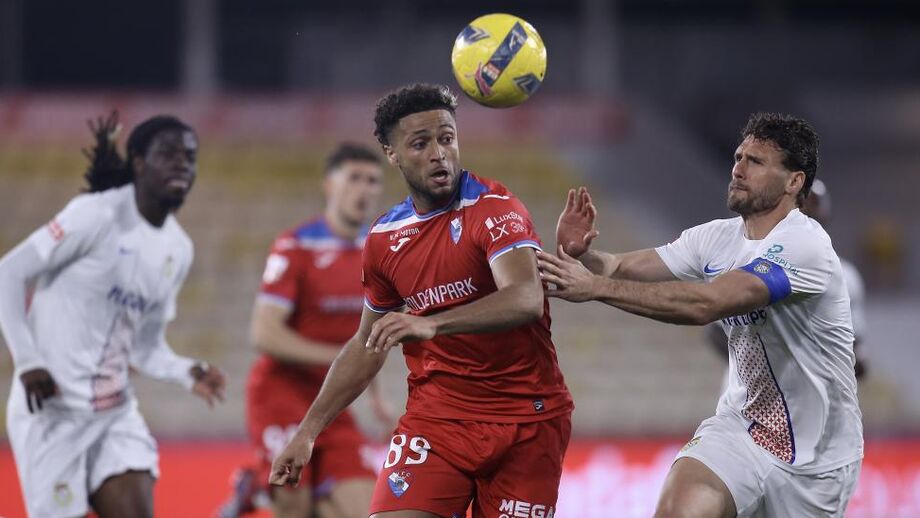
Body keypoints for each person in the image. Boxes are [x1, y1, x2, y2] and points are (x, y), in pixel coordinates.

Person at [268, 83, 573, 518]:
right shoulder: (384, 238)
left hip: (527, 421)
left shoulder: (495, 208)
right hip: (438, 422)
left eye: (447, 138)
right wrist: (307, 433)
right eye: (420, 143)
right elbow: (367, 343)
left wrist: (433, 323)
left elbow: (525, 296)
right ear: (392, 153)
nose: (439, 153)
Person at [537, 113, 862, 517]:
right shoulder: (716, 238)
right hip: (740, 431)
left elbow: (708, 304)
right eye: (738, 157)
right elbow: (619, 266)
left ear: (794, 182)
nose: (738, 169)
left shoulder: (805, 246)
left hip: (818, 461)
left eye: (755, 162)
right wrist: (582, 253)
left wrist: (595, 288)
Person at [0, 112, 225, 518]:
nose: (182, 164)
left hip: (113, 413)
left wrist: (186, 370)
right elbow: (9, 273)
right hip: (52, 414)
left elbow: (144, 347)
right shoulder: (95, 215)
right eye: (168, 154)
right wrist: (28, 362)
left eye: (189, 157)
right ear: (138, 162)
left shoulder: (178, 249)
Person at [218, 143, 390, 518]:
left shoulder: (378, 253)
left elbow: (373, 333)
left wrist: (378, 401)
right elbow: (265, 334)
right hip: (280, 394)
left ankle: (256, 486)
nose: (364, 188)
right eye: (354, 178)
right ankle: (264, 488)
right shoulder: (295, 245)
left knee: (362, 511)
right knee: (297, 507)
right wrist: (342, 359)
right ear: (329, 186)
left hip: (331, 403)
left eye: (372, 181)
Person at [704, 178, 868, 379]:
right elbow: (717, 333)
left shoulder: (845, 276)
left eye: (811, 204)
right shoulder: (745, 264)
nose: (803, 212)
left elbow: (852, 344)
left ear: (824, 213)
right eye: (797, 204)